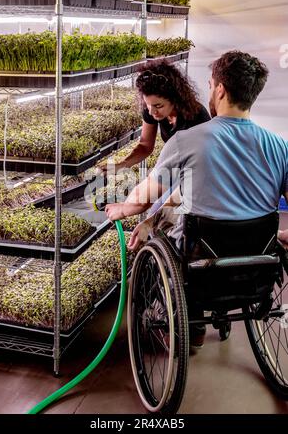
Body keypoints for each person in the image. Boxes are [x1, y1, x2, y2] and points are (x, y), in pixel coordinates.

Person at [105, 50, 288, 349]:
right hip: (258, 266)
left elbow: (142, 200)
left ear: (220, 89)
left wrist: (121, 209)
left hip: (201, 265)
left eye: (210, 83)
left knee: (154, 238)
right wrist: (279, 235)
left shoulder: (186, 141)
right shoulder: (281, 147)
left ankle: (177, 319)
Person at [99, 59, 210, 176]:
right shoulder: (151, 110)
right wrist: (122, 165)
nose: (152, 112)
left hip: (198, 171)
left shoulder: (197, 117)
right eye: (148, 104)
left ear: (175, 98)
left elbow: (203, 159)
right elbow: (145, 146)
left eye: (158, 105)